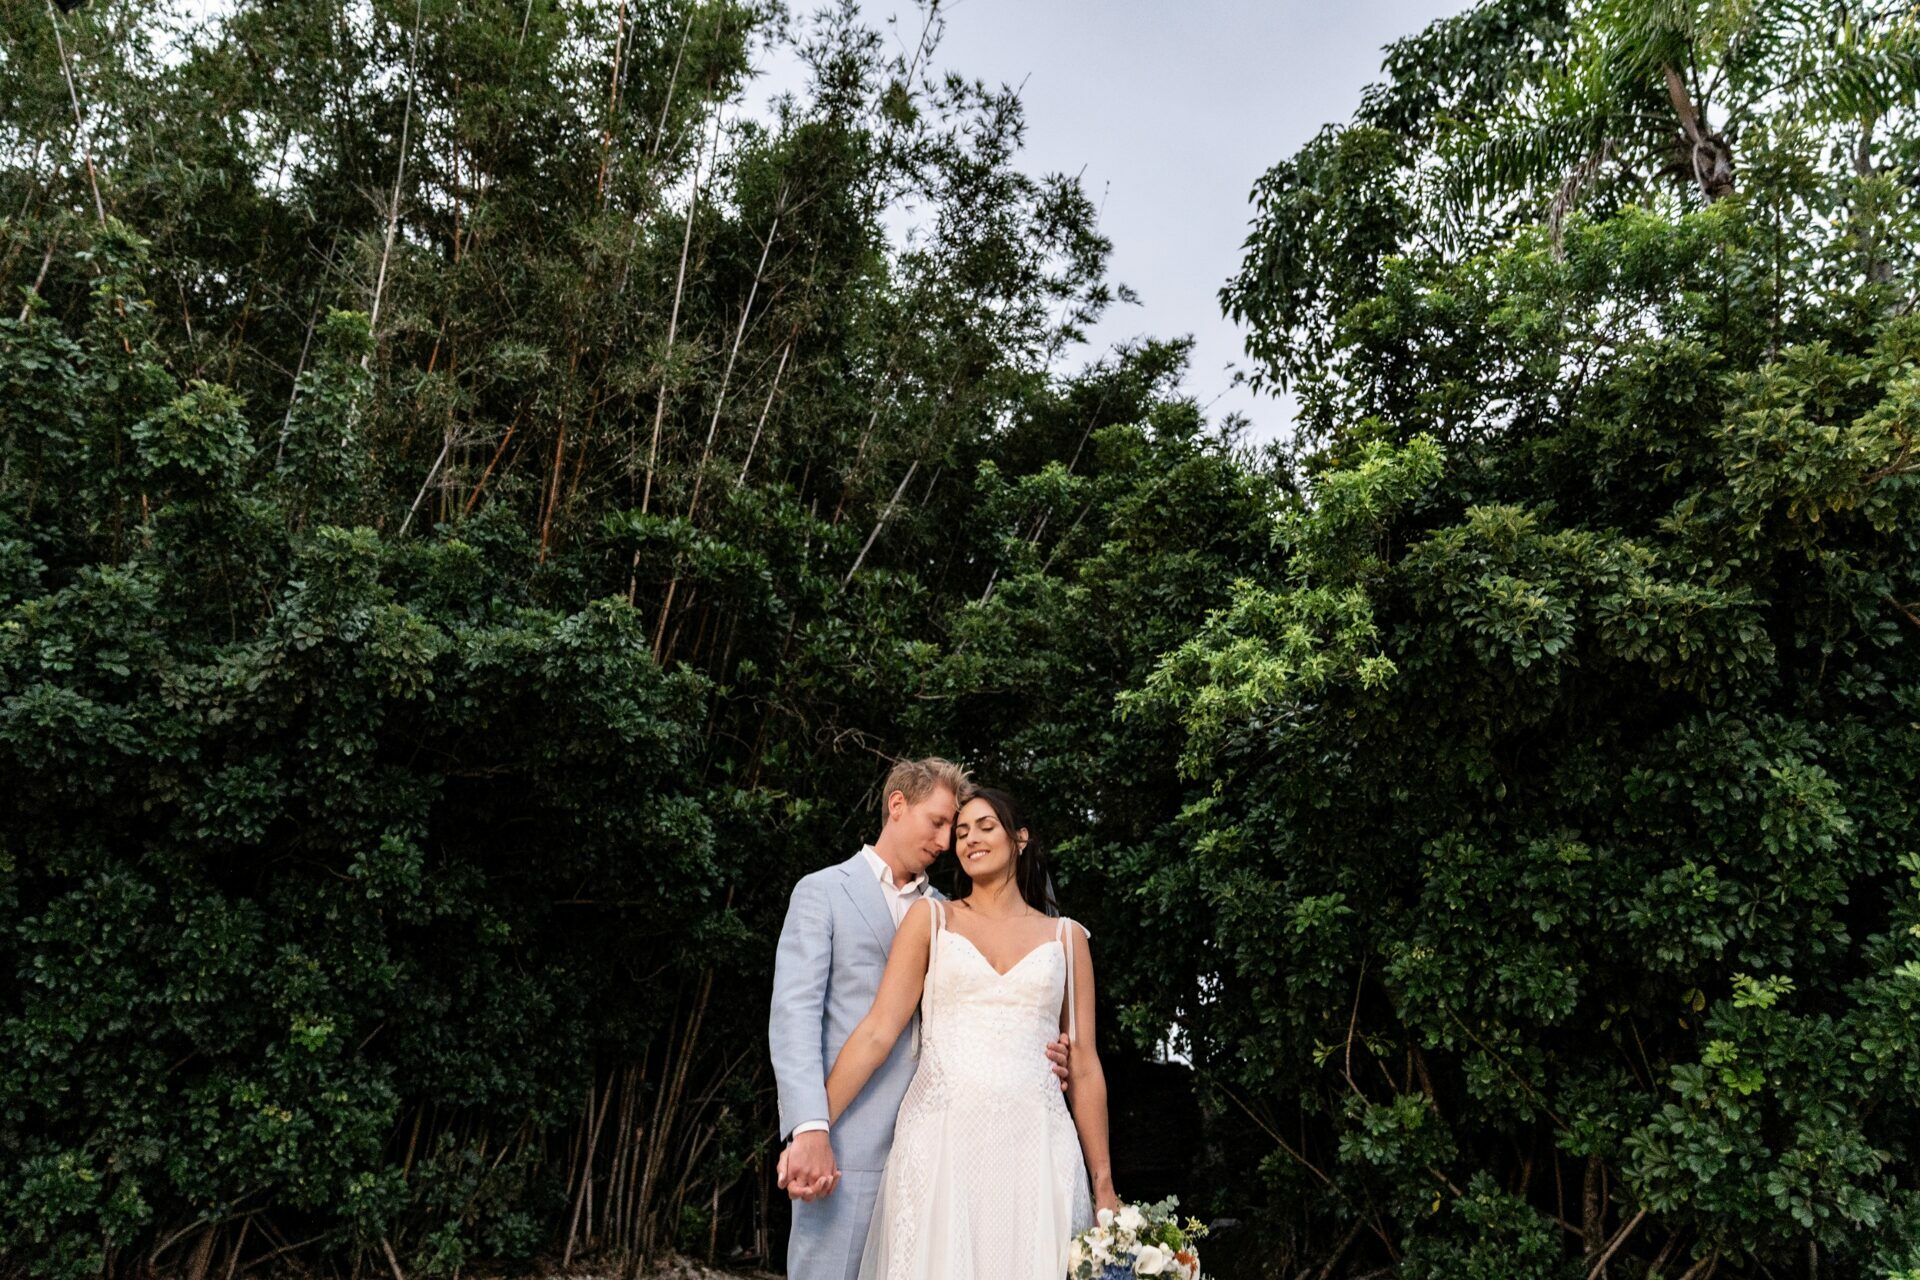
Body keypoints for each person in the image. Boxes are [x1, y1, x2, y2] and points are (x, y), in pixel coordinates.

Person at [769, 762, 1072, 1280]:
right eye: (939, 823)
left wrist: (1043, 1048)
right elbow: (793, 1020)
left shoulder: (950, 912)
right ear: (897, 806)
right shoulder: (823, 892)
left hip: (944, 1154)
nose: (946, 841)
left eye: (953, 828)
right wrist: (809, 1128)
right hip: (847, 1146)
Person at [825, 786, 1117, 1280]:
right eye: (961, 832)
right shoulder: (932, 919)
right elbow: (878, 1030)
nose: (970, 839)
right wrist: (812, 1127)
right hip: (942, 1142)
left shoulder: (1067, 938)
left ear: (1020, 839)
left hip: (1038, 1147)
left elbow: (1084, 1064)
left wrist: (1103, 1183)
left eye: (985, 827)